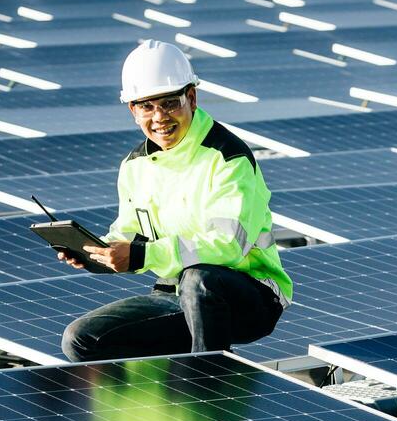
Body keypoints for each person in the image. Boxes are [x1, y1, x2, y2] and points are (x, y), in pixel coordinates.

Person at [59, 39, 291, 362]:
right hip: (176, 293)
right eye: (147, 107)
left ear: (191, 99)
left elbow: (228, 245)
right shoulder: (134, 167)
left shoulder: (227, 158)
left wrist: (141, 256)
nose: (159, 118)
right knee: (80, 340)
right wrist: (96, 254)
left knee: (201, 281)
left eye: (169, 104)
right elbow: (131, 234)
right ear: (133, 111)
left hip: (250, 295)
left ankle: (207, 387)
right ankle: (161, 403)